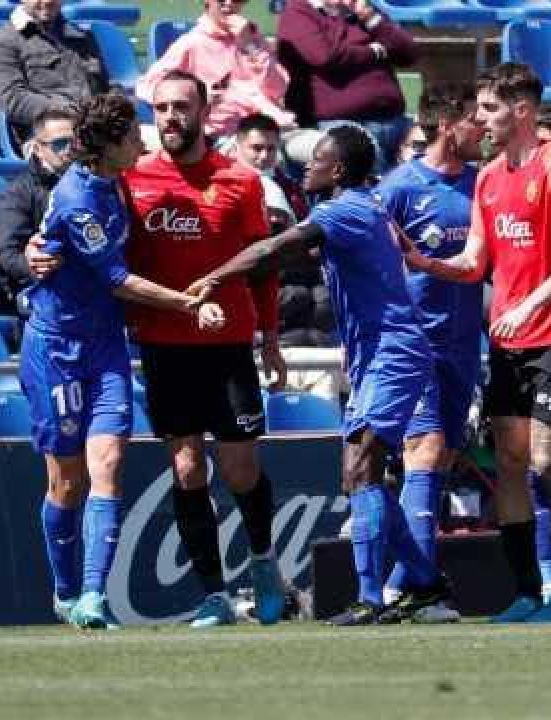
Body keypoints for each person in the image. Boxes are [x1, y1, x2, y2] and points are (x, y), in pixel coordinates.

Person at [188, 124, 454, 626]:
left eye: (316, 160)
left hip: (392, 351)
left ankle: (372, 599)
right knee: (358, 471)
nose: (306, 166)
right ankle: (424, 581)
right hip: (377, 353)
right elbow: (293, 253)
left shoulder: (344, 209)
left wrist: (214, 277)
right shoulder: (357, 210)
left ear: (338, 170)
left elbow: (274, 250)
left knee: (361, 468)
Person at [21, 93, 224, 629]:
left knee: (107, 465)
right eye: (134, 137)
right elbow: (117, 279)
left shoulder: (115, 182)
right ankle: (65, 590)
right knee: (67, 482)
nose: (144, 143)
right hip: (56, 348)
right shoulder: (77, 198)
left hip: (106, 345)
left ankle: (94, 597)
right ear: (108, 146)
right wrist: (185, 302)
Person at [401, 63, 551, 623]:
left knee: (547, 464)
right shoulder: (487, 177)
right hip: (510, 342)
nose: (478, 119)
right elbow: (476, 261)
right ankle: (527, 593)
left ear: (522, 111)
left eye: (488, 108)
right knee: (509, 465)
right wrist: (424, 262)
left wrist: (532, 303)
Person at [123, 70, 287, 628]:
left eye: (180, 107)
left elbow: (263, 268)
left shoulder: (240, 180)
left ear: (202, 111)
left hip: (228, 344)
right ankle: (213, 593)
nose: (170, 116)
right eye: (161, 107)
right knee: (188, 469)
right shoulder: (133, 178)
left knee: (240, 469)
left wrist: (270, 337)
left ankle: (264, 562)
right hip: (164, 345)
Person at [373, 82, 485, 622]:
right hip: (411, 345)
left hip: (464, 348)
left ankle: (400, 584)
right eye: (473, 119)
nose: (482, 128)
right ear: (447, 125)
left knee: (439, 460)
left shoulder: (482, 186)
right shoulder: (398, 188)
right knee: (424, 451)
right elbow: (363, 263)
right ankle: (424, 591)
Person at [277, 0, 419, 174]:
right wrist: (375, 51)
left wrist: (371, 18)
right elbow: (326, 56)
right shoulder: (299, 12)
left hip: (394, 121)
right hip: (343, 123)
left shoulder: (364, 12)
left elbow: (408, 53)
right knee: (371, 189)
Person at [137, 0, 298, 143]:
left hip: (274, 128)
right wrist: (198, 95)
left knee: (318, 149)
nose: (229, 3)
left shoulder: (253, 39)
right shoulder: (192, 43)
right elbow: (149, 86)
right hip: (228, 135)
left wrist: (249, 46)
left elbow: (278, 88)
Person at [0, 0, 110, 146]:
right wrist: (63, 109)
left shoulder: (82, 37)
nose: (48, 1)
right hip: (47, 135)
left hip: (94, 127)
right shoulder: (2, 43)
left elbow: (106, 86)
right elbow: (12, 98)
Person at [0, 107, 76, 297]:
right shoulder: (17, 193)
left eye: (74, 142)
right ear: (38, 149)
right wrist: (38, 265)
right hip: (40, 289)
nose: (69, 150)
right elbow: (7, 256)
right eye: (60, 144)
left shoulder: (91, 182)